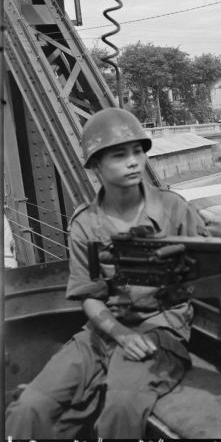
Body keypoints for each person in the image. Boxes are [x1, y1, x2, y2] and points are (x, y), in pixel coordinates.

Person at [6, 107, 209, 440]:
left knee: (121, 411)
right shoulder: (86, 223)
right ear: (96, 166)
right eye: (119, 154)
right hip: (101, 333)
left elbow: (215, 269)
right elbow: (89, 296)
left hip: (160, 329)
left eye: (138, 151)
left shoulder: (174, 209)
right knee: (30, 408)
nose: (133, 161)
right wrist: (121, 334)